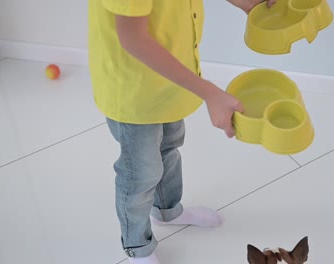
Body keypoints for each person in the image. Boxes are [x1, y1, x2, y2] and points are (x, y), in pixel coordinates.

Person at [88, 0, 276, 263]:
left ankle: (167, 211)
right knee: (141, 172)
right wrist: (210, 92)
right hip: (132, 89)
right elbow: (132, 38)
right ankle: (137, 245)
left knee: (168, 146)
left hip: (169, 77)